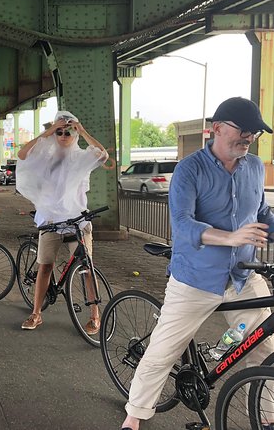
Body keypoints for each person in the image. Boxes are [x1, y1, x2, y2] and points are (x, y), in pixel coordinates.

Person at [120, 97, 274, 430]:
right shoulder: (190, 169)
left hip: (242, 277)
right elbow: (184, 225)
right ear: (216, 128)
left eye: (255, 133)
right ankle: (133, 417)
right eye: (243, 130)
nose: (249, 137)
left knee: (264, 348)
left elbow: (260, 215)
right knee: (164, 352)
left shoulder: (255, 167)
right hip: (195, 279)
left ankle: (267, 418)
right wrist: (229, 237)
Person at [16, 110, 108, 332]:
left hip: (78, 220)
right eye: (60, 132)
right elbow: (22, 154)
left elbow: (102, 155)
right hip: (51, 220)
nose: (64, 135)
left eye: (68, 131)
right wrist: (48, 131)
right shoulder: (45, 157)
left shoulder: (80, 156)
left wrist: (82, 129)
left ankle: (95, 316)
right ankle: (36, 313)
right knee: (45, 267)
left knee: (87, 268)